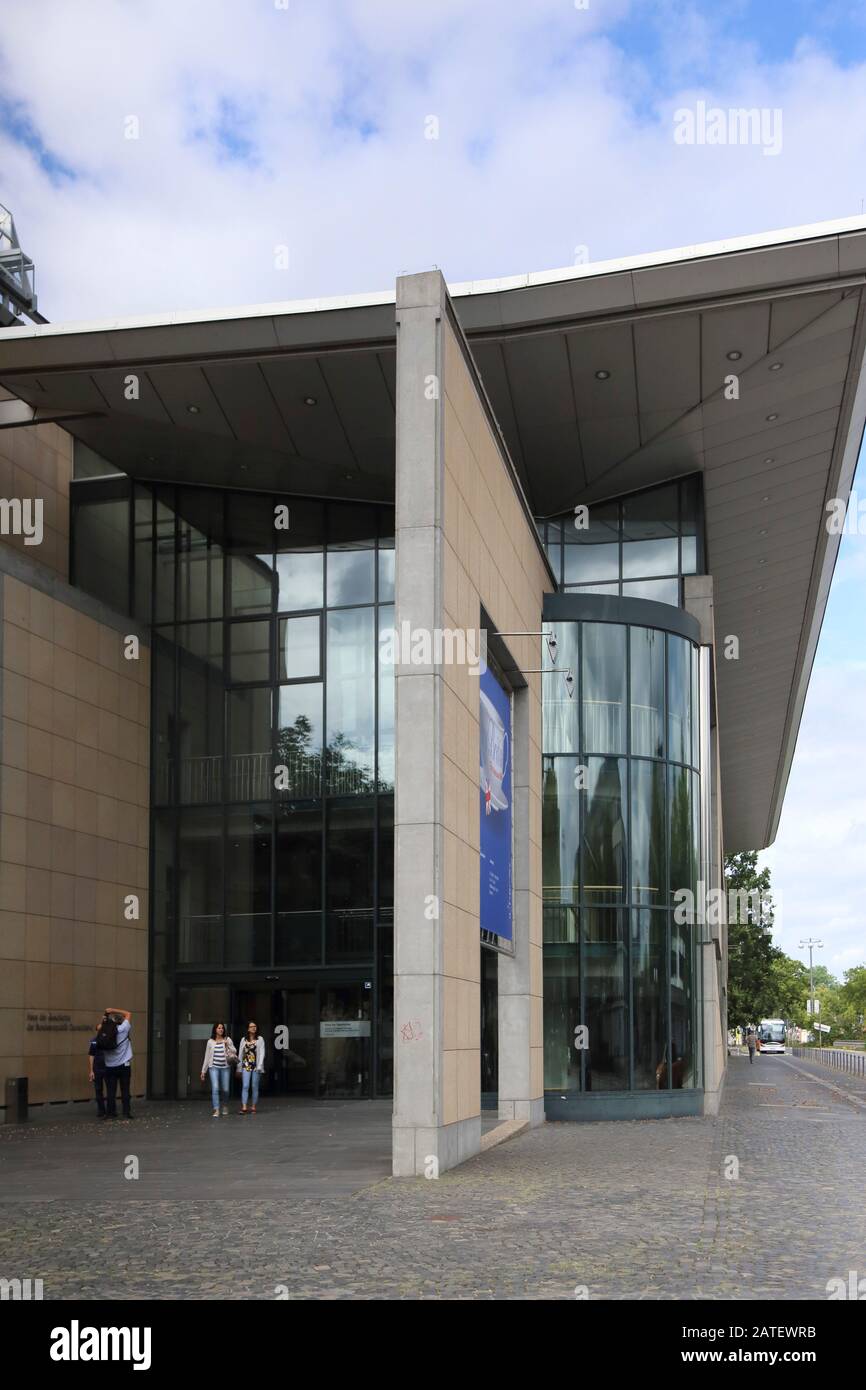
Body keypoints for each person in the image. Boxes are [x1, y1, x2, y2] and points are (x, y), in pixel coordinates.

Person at [101, 1007, 134, 1119]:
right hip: (124, 1065)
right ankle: (126, 1112)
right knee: (125, 1090)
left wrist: (106, 1014)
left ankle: (110, 1113)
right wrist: (113, 1010)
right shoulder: (123, 1029)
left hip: (109, 1065)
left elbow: (103, 1023)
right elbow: (128, 1013)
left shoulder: (104, 1029)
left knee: (111, 1091)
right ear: (120, 1021)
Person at [200, 1022, 237, 1117]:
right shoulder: (210, 1041)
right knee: (215, 1088)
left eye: (222, 1028)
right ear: (215, 1030)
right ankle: (216, 1109)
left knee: (225, 1089)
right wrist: (203, 1071)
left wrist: (227, 1044)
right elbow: (207, 1057)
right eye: (219, 1028)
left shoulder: (227, 1039)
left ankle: (225, 1105)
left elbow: (234, 1051)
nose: (221, 1029)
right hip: (214, 1067)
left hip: (225, 1067)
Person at [238, 1021, 265, 1114]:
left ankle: (253, 1106)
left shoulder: (260, 1039)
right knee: (245, 1086)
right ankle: (244, 1106)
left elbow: (262, 1053)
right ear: (248, 1029)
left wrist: (260, 1066)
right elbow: (240, 1054)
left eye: (255, 1026)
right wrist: (238, 1068)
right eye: (251, 1026)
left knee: (254, 1086)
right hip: (246, 1065)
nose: (254, 1028)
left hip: (256, 1066)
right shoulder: (243, 1040)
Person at [88, 1013, 109, 1117]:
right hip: (97, 1068)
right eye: (99, 1029)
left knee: (110, 1089)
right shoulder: (94, 1042)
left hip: (108, 1067)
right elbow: (91, 1055)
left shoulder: (108, 1040)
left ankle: (110, 1110)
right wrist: (91, 1071)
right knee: (98, 1090)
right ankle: (101, 1111)